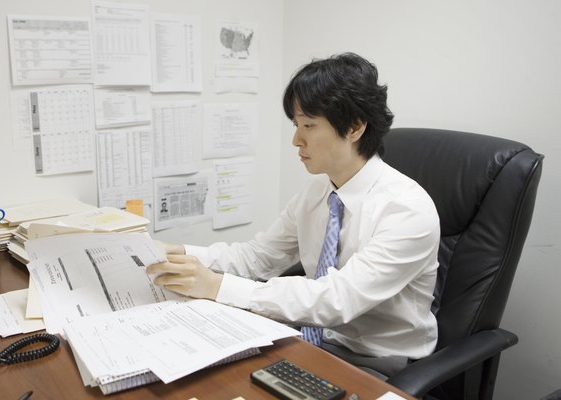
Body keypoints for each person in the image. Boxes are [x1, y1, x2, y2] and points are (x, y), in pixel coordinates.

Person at [146, 52, 440, 379]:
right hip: (309, 338)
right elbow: (257, 257)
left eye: (309, 126)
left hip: (381, 363)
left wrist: (217, 286)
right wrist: (178, 253)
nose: (296, 140)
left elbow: (336, 300)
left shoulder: (408, 210)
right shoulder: (317, 193)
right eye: (296, 125)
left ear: (355, 127)